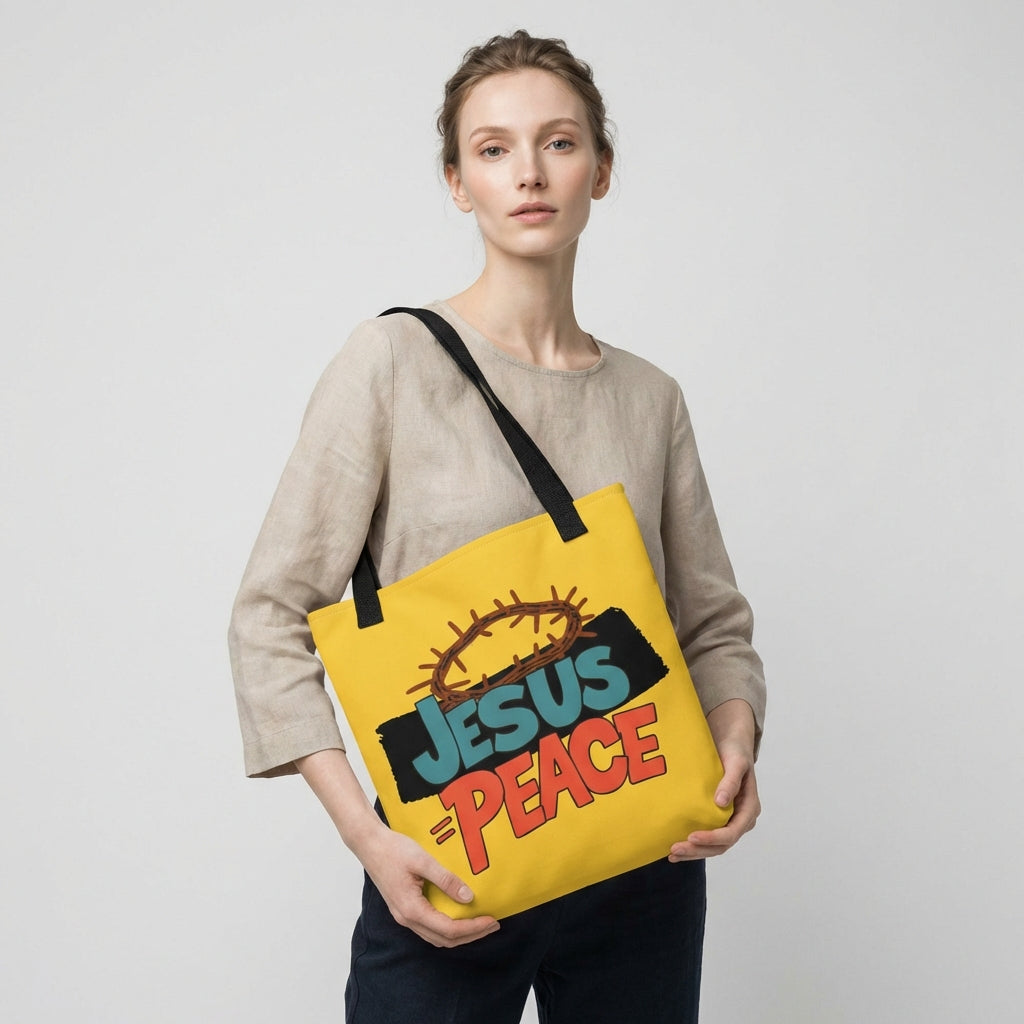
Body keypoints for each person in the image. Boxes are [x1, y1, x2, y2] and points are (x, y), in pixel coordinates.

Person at [229, 29, 765, 1024]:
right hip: (450, 859)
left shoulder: (649, 398)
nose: (528, 172)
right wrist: (368, 840)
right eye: (492, 148)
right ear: (456, 182)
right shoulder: (391, 363)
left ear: (601, 169)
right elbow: (269, 616)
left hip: (643, 859)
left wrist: (735, 741)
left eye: (559, 142)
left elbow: (712, 624)